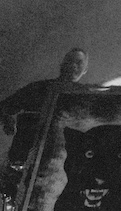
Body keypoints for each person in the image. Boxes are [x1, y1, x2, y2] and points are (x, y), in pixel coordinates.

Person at [0, 48, 89, 202]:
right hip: (26, 161)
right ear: (62, 64)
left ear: (85, 70)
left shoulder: (85, 96)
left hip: (61, 168)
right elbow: (4, 107)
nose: (74, 66)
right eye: (70, 61)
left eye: (79, 62)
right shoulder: (38, 88)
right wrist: (7, 118)